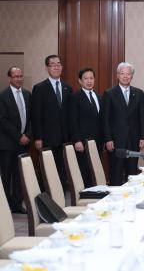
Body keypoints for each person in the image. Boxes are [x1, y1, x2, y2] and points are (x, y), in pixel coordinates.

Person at [103, 62, 144, 185]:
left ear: (132, 76)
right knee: (116, 173)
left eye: (128, 74)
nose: (125, 76)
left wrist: (143, 137)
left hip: (134, 139)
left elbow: (143, 117)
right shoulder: (109, 94)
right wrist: (108, 139)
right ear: (117, 75)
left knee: (132, 173)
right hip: (116, 141)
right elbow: (105, 119)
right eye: (122, 73)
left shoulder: (139, 93)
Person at [32, 55, 72, 185]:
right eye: (53, 64)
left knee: (62, 171)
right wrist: (38, 137)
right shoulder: (39, 88)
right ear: (47, 68)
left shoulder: (68, 88)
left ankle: (60, 198)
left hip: (64, 138)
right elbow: (36, 115)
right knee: (47, 171)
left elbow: (70, 115)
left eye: (59, 64)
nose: (56, 67)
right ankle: (46, 201)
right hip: (47, 138)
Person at [0, 67, 30, 213]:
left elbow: (31, 118)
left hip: (24, 143)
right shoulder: (3, 96)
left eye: (21, 76)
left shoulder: (27, 94)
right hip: (7, 144)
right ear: (10, 78)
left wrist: (27, 135)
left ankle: (17, 204)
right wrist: (19, 136)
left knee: (19, 175)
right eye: (16, 76)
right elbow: (3, 120)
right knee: (6, 176)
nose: (19, 79)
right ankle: (5, 205)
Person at [69, 68, 103, 187]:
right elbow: (72, 121)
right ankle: (83, 198)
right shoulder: (75, 97)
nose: (89, 81)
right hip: (82, 142)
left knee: (95, 171)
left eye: (91, 78)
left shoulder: (99, 97)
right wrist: (77, 140)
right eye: (86, 78)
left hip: (97, 142)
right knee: (84, 172)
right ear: (80, 81)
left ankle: (94, 196)